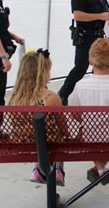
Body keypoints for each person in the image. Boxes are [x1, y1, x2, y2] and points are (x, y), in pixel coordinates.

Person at [69, 38, 109, 186]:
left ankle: (100, 168)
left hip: (89, 137)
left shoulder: (80, 85)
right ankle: (101, 169)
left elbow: (75, 114)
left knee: (89, 133)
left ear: (90, 60)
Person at [7, 49, 67, 186]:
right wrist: (67, 134)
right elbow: (63, 127)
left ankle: (37, 170)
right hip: (52, 145)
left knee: (35, 133)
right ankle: (58, 170)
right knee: (54, 136)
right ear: (42, 74)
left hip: (23, 143)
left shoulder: (15, 98)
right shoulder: (51, 98)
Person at [58, 0, 109, 105]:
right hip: (85, 37)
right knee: (80, 68)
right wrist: (100, 15)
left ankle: (103, 97)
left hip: (99, 36)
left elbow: (105, 11)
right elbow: (77, 16)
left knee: (103, 66)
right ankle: (63, 94)